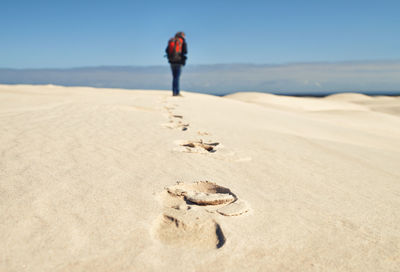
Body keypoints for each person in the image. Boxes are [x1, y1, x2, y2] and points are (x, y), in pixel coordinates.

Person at [165, 32, 187, 96]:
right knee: (177, 77)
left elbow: (166, 50)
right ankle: (176, 92)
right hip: (179, 61)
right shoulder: (182, 41)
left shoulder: (171, 41)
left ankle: (174, 92)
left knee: (174, 77)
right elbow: (185, 51)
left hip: (172, 61)